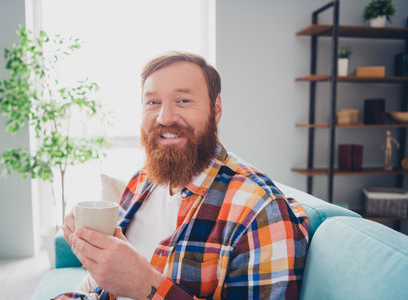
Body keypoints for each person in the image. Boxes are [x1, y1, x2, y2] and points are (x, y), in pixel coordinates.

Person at [56, 51, 309, 300]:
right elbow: (105, 283)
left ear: (216, 109)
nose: (164, 117)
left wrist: (148, 287)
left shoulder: (260, 209)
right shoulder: (141, 182)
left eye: (183, 101)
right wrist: (90, 248)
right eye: (153, 102)